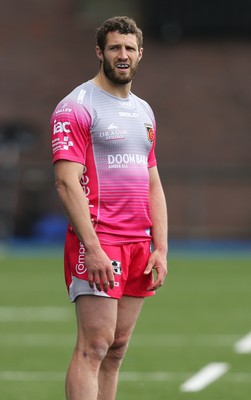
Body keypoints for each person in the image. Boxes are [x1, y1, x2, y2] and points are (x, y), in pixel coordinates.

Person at [50, 15, 168, 400]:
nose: (123, 55)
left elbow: (152, 182)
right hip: (100, 242)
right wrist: (92, 245)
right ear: (99, 52)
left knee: (116, 350)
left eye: (129, 48)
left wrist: (161, 248)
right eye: (115, 47)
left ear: (140, 55)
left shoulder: (145, 111)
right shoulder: (76, 107)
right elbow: (66, 182)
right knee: (94, 347)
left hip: (139, 246)